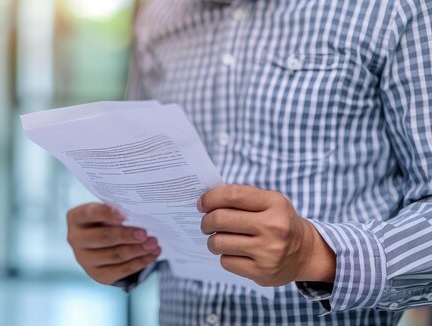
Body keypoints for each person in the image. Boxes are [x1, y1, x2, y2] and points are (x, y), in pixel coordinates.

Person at [66, 0, 432, 324]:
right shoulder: (156, 16)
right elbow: (148, 187)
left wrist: (314, 253)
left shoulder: (393, 9)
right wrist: (118, 244)